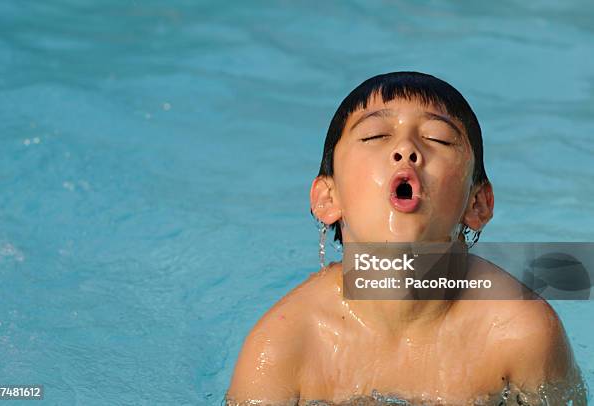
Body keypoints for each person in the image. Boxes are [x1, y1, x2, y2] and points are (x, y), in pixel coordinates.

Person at [226, 72, 586, 405]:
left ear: (477, 203)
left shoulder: (519, 333)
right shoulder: (283, 349)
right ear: (327, 198)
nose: (406, 150)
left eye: (437, 138)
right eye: (375, 136)